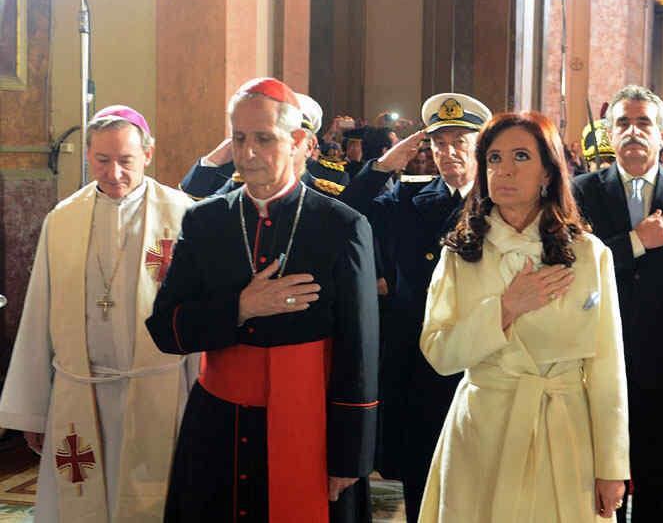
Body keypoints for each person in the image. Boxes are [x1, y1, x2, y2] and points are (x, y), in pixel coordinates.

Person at [145, 77, 380, 523]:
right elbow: (164, 328)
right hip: (218, 425)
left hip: (312, 423)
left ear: (298, 142)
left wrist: (351, 457)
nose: (248, 152)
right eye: (239, 138)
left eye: (263, 138)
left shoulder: (342, 225)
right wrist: (241, 307)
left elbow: (361, 351)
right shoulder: (205, 221)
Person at [418, 111, 629, 521]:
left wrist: (612, 466)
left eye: (520, 157)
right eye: (494, 158)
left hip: (562, 433)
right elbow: (439, 354)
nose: (505, 171)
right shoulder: (460, 253)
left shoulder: (588, 254)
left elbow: (607, 368)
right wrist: (505, 309)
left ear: (548, 172)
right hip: (482, 433)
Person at [0, 105, 199, 522]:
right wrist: (34, 407)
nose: (114, 173)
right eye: (102, 160)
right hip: (80, 390)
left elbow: (195, 320)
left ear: (148, 153)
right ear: (87, 155)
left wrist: (204, 402)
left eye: (125, 161)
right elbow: (39, 317)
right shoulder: (63, 220)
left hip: (159, 391)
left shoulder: (184, 216)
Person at [572, 85, 663, 523]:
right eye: (623, 123)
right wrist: (636, 242)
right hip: (592, 362)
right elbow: (572, 270)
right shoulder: (579, 194)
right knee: (598, 483)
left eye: (643, 124)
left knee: (657, 483)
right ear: (608, 133)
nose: (633, 132)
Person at [350, 92, 492, 523]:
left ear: (480, 146)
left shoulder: (499, 201)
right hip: (422, 362)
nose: (447, 153)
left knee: (482, 474)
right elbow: (348, 211)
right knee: (423, 473)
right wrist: (383, 166)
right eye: (438, 143)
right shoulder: (408, 199)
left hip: (483, 356)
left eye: (459, 142)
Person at [178, 93, 350, 199]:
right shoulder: (240, 172)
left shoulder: (330, 182)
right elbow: (186, 203)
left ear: (309, 145)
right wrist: (213, 161)